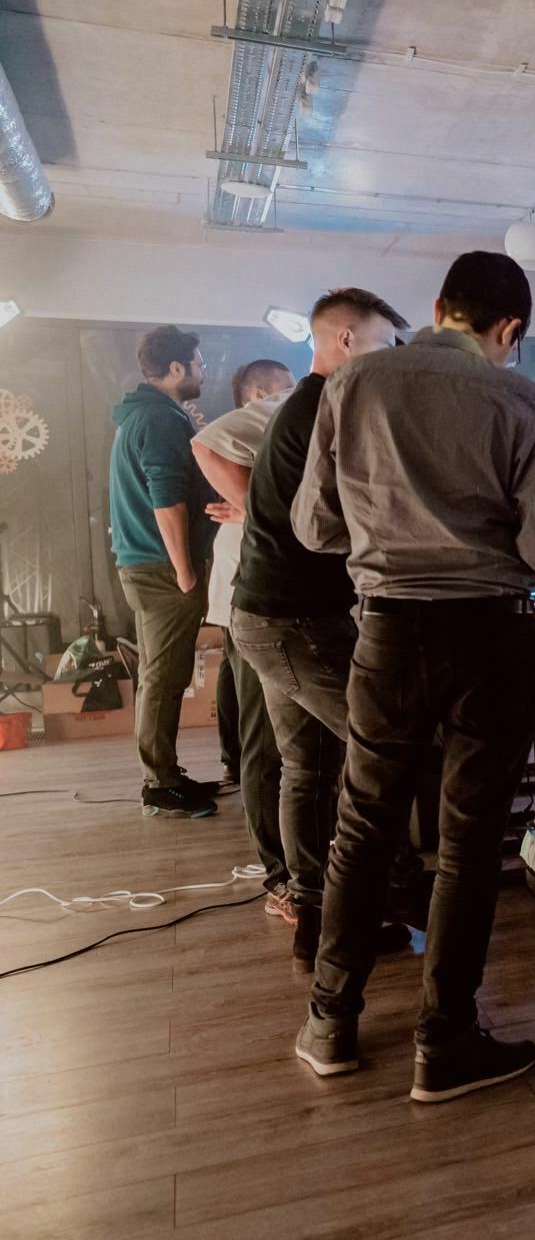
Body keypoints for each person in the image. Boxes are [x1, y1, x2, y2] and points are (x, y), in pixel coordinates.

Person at [291, 253, 535, 1103]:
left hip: (388, 633)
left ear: (439, 306)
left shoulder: (354, 384)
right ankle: (443, 1043)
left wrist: (393, 536)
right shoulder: (522, 400)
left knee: (363, 826)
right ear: (508, 330)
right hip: (490, 635)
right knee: (468, 844)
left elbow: (312, 526)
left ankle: (329, 1025)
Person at [229, 288, 408, 959]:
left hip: (268, 614)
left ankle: (313, 921)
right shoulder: (323, 410)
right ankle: (388, 894)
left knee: (307, 765)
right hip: (292, 621)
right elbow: (329, 526)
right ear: (348, 342)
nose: (393, 363)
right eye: (387, 348)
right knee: (389, 745)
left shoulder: (309, 406)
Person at [192, 359, 293, 914]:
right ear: (259, 397)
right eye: (285, 391)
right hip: (249, 609)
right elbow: (205, 443)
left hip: (274, 608)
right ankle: (279, 876)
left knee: (287, 744)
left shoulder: (261, 465)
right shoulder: (243, 440)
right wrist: (258, 510)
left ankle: (298, 864)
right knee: (265, 745)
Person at [109, 325, 221, 817]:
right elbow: (166, 499)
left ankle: (164, 774)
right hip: (161, 568)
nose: (203, 369)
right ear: (176, 368)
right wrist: (186, 573)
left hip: (145, 565)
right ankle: (160, 781)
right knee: (165, 676)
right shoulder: (159, 420)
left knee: (159, 673)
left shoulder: (147, 415)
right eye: (198, 361)